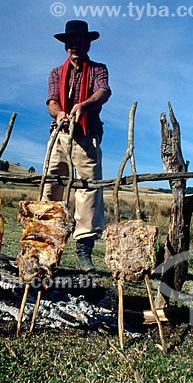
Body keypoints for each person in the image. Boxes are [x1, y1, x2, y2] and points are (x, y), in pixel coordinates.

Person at [42, 20, 111, 272]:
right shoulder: (55, 73)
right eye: (70, 43)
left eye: (79, 42)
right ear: (65, 46)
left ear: (88, 43)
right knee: (51, 185)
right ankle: (47, 244)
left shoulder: (97, 70)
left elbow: (103, 92)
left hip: (86, 134)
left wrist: (83, 106)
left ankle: (84, 251)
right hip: (59, 134)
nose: (74, 46)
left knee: (89, 191)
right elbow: (51, 101)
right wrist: (59, 113)